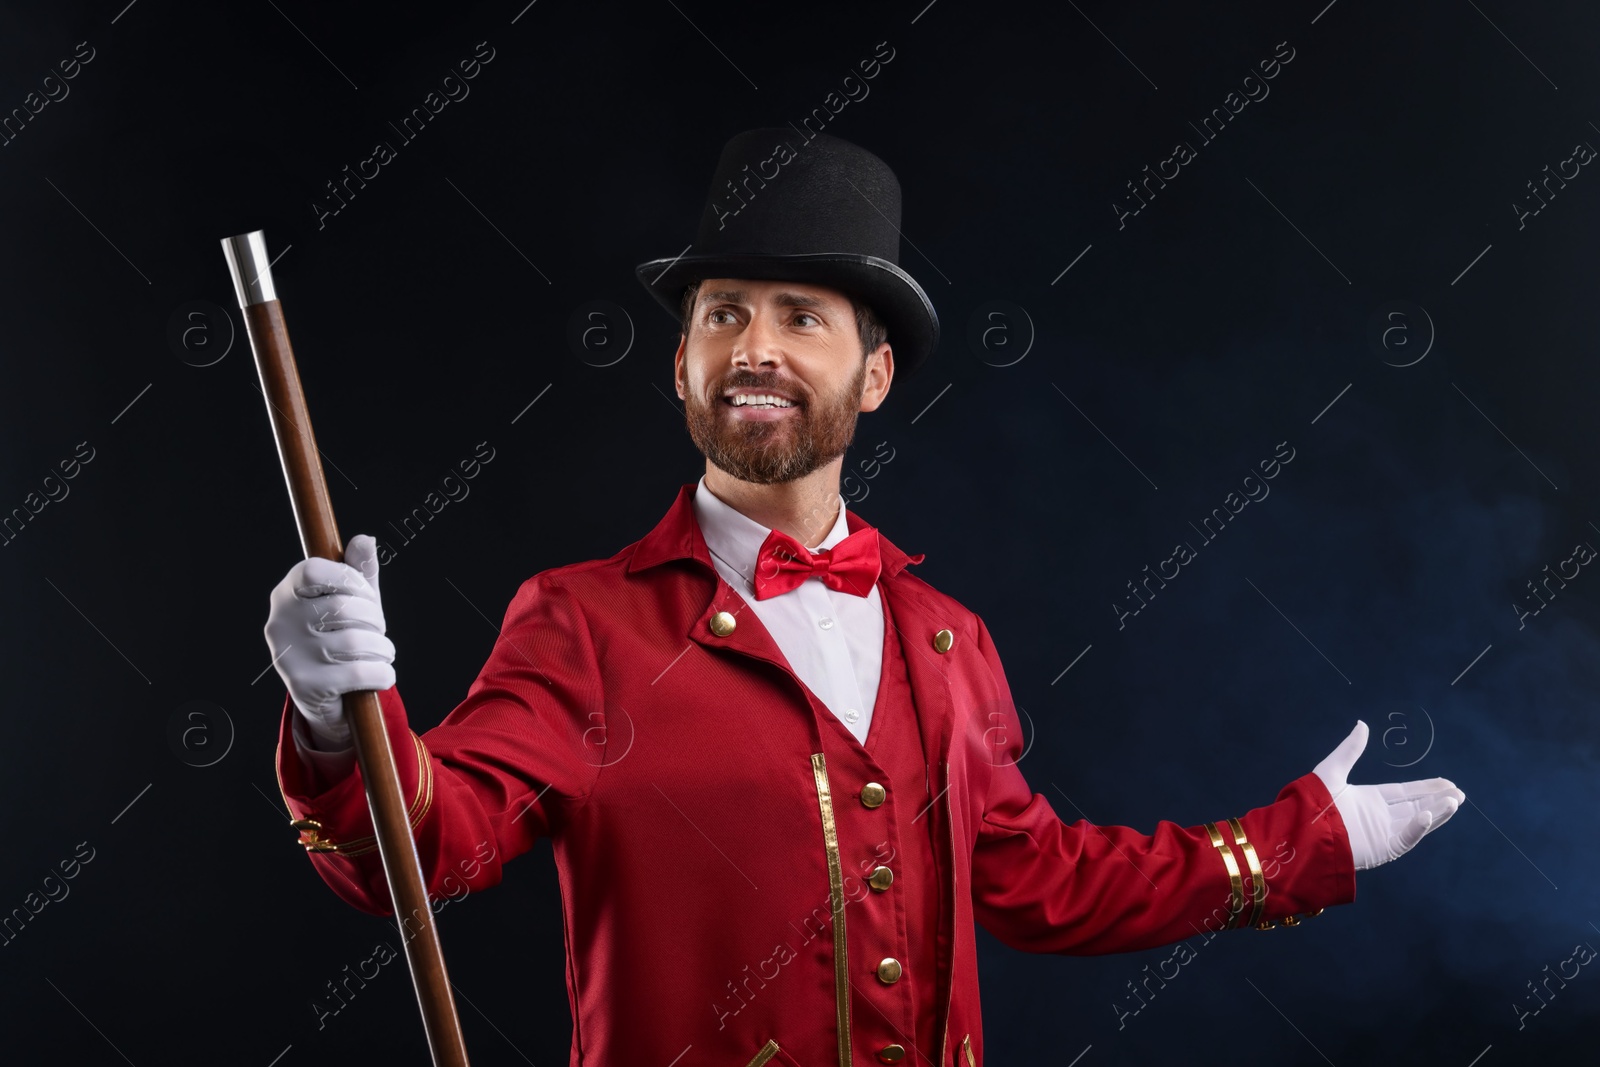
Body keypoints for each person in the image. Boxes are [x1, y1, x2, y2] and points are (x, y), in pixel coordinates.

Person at [265, 129, 1465, 1067]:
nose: (756, 347)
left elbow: (1043, 883)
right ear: (679, 364)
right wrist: (332, 719)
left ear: (874, 372)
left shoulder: (948, 640)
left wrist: (1300, 840)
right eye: (722, 313)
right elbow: (425, 855)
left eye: (802, 317)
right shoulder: (580, 620)